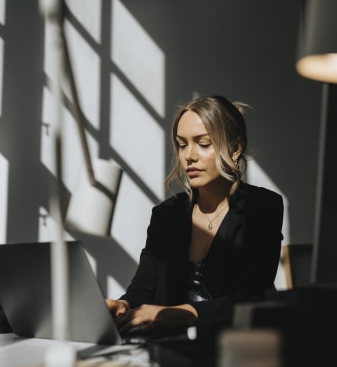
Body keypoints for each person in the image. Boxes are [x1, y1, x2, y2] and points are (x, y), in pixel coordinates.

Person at [106, 95, 284, 334]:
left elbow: (253, 296)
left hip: (238, 345)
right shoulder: (165, 215)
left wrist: (186, 313)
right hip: (171, 348)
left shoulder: (262, 207)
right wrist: (124, 304)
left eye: (203, 143)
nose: (189, 155)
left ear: (235, 149)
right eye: (182, 144)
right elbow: (145, 287)